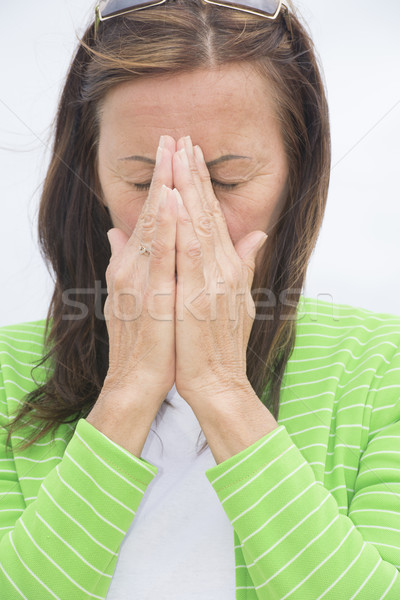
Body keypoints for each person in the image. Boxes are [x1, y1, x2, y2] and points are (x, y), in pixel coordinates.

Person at [0, 0, 399, 598]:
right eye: (142, 181)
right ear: (92, 179)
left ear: (300, 169)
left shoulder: (383, 367)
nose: (182, 213)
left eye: (229, 180)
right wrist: (129, 390)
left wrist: (221, 390)